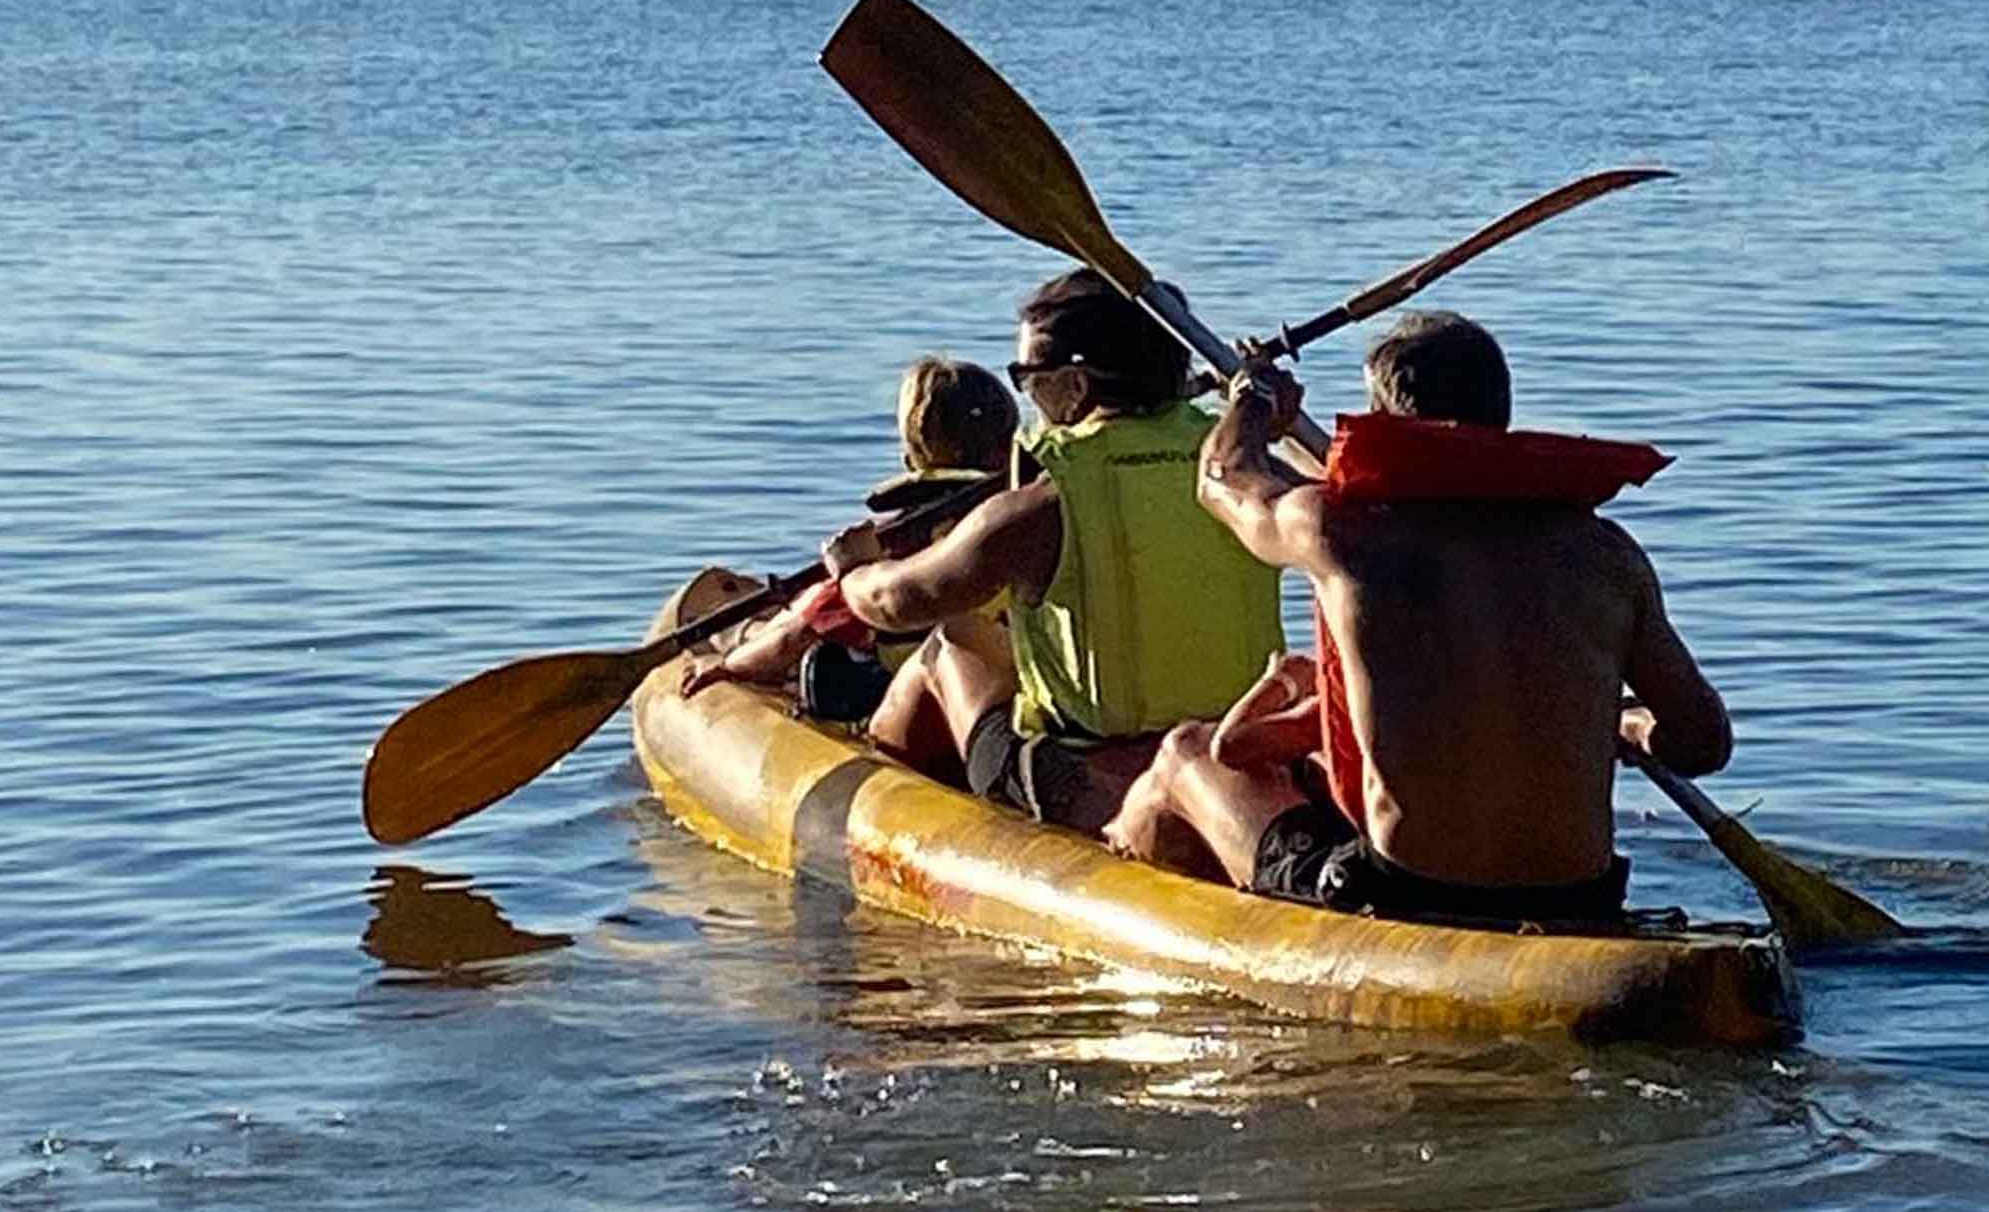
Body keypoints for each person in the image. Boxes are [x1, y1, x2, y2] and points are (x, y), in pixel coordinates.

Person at [1102, 311, 1731, 926]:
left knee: (1185, 755)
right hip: (1580, 897)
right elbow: (1702, 743)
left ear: (1381, 423)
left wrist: (1253, 398)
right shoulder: (1605, 554)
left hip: (1402, 893)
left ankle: (1116, 891)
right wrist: (1631, 726)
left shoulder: (1341, 534)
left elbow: (1223, 479)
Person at [822, 268, 1282, 832]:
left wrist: (854, 571)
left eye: (1027, 376)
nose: (1027, 393)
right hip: (1227, 752)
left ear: (1076, 386)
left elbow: (897, 603)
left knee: (953, 643)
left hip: (1086, 781)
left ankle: (878, 809)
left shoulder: (1045, 502)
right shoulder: (1246, 475)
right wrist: (1267, 417)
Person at [683, 356, 1017, 722]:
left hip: (914, 703)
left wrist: (729, 667)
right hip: (1003, 686)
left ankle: (744, 638)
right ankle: (752, 631)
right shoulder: (1028, 518)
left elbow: (797, 634)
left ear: (911, 457)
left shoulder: (897, 545)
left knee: (821, 624)